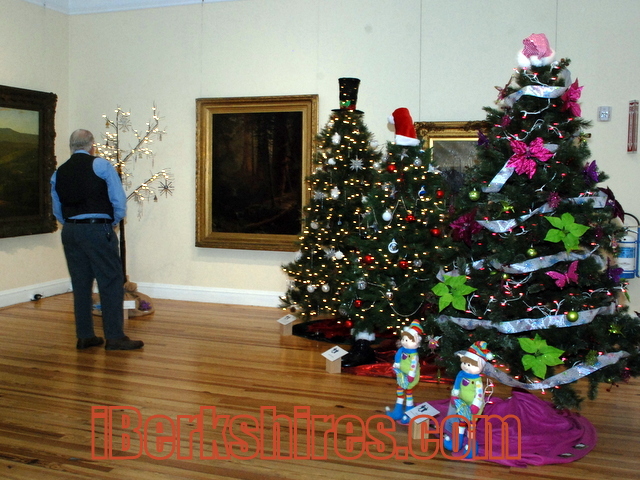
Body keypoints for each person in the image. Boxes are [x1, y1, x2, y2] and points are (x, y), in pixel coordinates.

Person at [51, 129, 143, 350]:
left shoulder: (58, 172)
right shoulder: (101, 165)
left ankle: (85, 336)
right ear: (92, 145)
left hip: (70, 230)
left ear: (71, 146)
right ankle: (114, 337)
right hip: (97, 228)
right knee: (110, 281)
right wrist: (112, 221)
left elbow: (57, 208)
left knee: (80, 283)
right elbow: (118, 200)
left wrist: (70, 224)